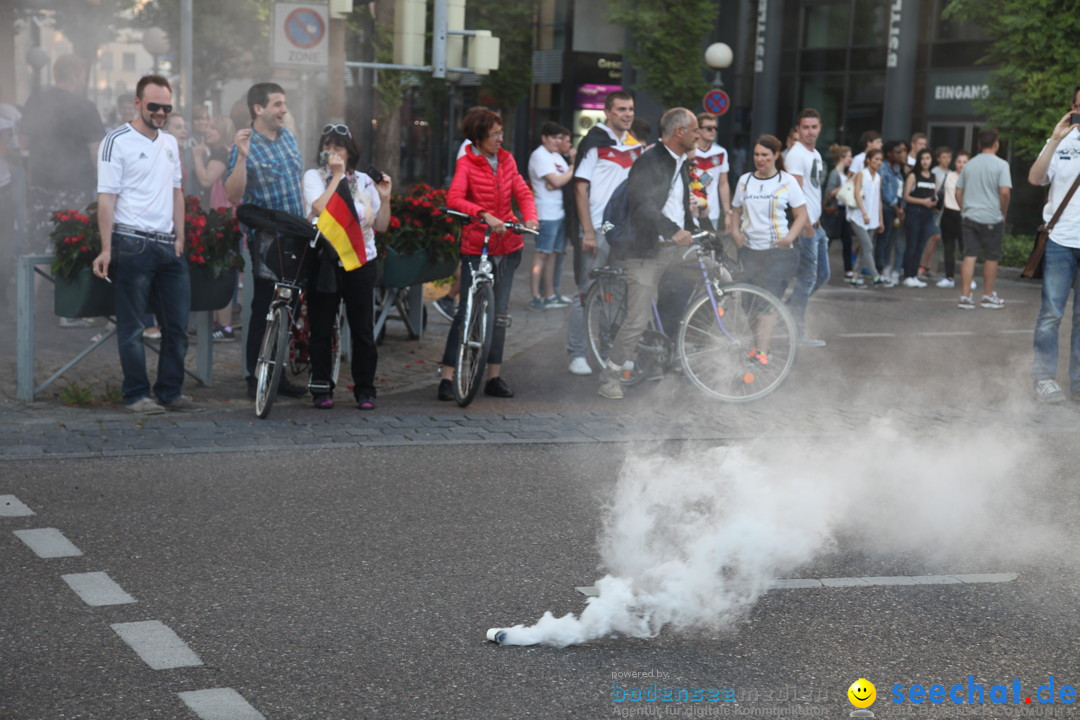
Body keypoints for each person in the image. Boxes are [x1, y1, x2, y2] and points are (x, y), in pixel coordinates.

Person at [92, 75, 197, 414]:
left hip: (168, 245)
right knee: (133, 326)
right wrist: (106, 248)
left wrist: (181, 237)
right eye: (154, 106)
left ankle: (169, 391)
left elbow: (176, 191)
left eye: (167, 107)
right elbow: (106, 198)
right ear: (138, 103)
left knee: (178, 326)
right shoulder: (116, 140)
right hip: (132, 242)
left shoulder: (169, 142)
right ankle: (137, 394)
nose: (161, 113)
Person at [597, 108, 699, 400]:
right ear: (679, 132)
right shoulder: (649, 162)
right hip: (645, 250)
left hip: (674, 249)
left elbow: (679, 207)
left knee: (722, 276)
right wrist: (672, 231)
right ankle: (611, 377)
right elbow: (643, 207)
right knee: (637, 318)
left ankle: (688, 349)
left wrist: (700, 232)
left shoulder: (681, 163)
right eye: (694, 129)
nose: (698, 134)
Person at [437, 109, 539, 401]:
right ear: (479, 137)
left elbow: (522, 191)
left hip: (507, 246)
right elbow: (454, 198)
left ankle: (493, 376)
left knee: (500, 314)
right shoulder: (467, 162)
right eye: (495, 134)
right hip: (476, 243)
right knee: (466, 311)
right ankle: (447, 376)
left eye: (500, 133)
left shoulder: (506, 159)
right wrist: (483, 214)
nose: (500, 139)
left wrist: (530, 218)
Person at [224, 82, 308, 400]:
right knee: (264, 308)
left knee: (290, 309)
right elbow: (233, 194)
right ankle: (255, 376)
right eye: (277, 104)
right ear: (258, 109)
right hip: (268, 242)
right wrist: (243, 158)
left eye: (284, 103)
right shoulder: (244, 145)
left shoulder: (288, 138)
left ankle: (278, 373)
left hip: (297, 238)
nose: (284, 109)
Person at [302, 123, 391, 410]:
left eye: (338, 146)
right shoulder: (314, 177)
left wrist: (386, 197)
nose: (332, 151)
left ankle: (365, 390)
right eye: (327, 146)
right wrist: (336, 176)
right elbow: (318, 209)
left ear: (350, 151)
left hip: (361, 261)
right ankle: (321, 388)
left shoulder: (365, 181)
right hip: (326, 260)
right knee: (321, 327)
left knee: (362, 328)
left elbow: (381, 224)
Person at [566, 90, 643, 376]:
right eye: (621, 109)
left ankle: (611, 353)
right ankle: (576, 352)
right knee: (586, 293)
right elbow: (579, 187)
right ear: (608, 112)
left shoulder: (633, 146)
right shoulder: (594, 143)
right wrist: (587, 231)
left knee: (619, 292)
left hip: (623, 232)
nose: (627, 114)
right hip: (597, 228)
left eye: (631, 109)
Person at [730, 135, 809, 356]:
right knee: (749, 303)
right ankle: (756, 346)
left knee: (766, 300)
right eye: (756, 154)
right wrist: (736, 232)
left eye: (765, 155)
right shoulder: (745, 181)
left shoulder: (787, 181)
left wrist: (789, 238)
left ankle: (762, 352)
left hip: (778, 253)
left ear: (776, 156)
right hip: (749, 251)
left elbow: (801, 214)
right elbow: (736, 210)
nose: (760, 159)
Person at [1028, 89, 1080, 403]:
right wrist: (1054, 138)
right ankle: (1044, 378)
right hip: (1060, 239)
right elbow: (1035, 178)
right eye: (1078, 105)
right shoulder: (1062, 143)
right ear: (1072, 108)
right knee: (1051, 313)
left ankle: (1078, 382)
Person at [785, 108, 829, 346]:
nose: (810, 131)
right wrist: (806, 226)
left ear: (820, 128)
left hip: (817, 225)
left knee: (822, 275)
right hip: (807, 227)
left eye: (814, 127)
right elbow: (796, 194)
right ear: (798, 130)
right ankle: (797, 332)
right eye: (805, 127)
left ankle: (784, 311)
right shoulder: (796, 155)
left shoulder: (815, 154)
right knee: (806, 280)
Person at [192, 114, 238, 340]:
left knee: (222, 270)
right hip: (223, 216)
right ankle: (220, 324)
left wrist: (197, 157)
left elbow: (207, 180)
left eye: (211, 128)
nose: (206, 130)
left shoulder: (221, 153)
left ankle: (224, 326)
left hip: (221, 218)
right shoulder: (225, 151)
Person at [955, 129, 1011, 310]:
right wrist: (1003, 212)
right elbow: (1004, 192)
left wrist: (964, 208)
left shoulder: (969, 164)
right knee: (991, 257)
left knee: (969, 255)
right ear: (996, 144)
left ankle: (965, 297)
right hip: (991, 217)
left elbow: (958, 191)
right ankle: (987, 295)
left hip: (970, 215)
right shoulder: (1001, 165)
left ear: (979, 144)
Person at [527, 121, 575, 310]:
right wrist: (571, 169)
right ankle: (535, 296)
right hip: (545, 213)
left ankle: (550, 294)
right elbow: (555, 181)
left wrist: (560, 179)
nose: (557, 141)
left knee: (553, 255)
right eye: (553, 138)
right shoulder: (539, 156)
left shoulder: (554, 155)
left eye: (559, 138)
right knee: (541, 254)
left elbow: (558, 181)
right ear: (544, 137)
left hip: (559, 211)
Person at [848, 148, 886, 287]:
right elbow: (857, 194)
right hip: (858, 217)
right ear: (869, 160)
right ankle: (875, 276)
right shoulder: (861, 174)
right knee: (868, 246)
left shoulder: (878, 178)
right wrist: (864, 213)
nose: (878, 162)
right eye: (876, 159)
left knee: (865, 249)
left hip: (873, 219)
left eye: (881, 160)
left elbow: (878, 200)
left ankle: (855, 277)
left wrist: (880, 220)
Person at [900, 148, 938, 287]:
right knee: (912, 244)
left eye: (928, 158)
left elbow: (935, 195)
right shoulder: (913, 176)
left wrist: (934, 202)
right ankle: (908, 274)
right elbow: (906, 196)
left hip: (928, 214)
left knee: (921, 245)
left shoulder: (934, 177)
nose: (925, 161)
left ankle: (914, 274)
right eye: (922, 158)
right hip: (914, 212)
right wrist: (923, 201)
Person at [692, 112, 732, 235]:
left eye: (715, 128)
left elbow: (723, 184)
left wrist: (727, 213)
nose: (713, 131)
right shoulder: (689, 152)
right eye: (709, 128)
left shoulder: (721, 152)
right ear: (698, 130)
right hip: (691, 211)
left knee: (710, 251)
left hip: (712, 212)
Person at [918, 146, 953, 280]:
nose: (947, 160)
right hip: (933, 209)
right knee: (934, 236)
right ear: (938, 159)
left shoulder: (951, 173)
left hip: (944, 210)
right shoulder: (934, 171)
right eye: (944, 157)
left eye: (949, 157)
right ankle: (923, 265)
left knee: (935, 238)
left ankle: (927, 266)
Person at [934, 150, 967, 289]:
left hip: (964, 214)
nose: (961, 165)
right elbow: (938, 192)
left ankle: (968, 278)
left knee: (965, 248)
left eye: (965, 162)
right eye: (959, 161)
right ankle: (949, 277)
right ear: (955, 163)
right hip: (948, 213)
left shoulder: (971, 177)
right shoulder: (948, 176)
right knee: (948, 247)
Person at [877, 140, 908, 283]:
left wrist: (901, 208)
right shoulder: (884, 169)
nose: (901, 155)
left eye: (901, 152)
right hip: (887, 209)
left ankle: (886, 268)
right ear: (889, 154)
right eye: (897, 152)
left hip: (896, 210)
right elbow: (884, 191)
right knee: (883, 240)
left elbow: (900, 189)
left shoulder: (897, 168)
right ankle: (880, 270)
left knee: (891, 241)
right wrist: (896, 208)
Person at [824, 144, 854, 280]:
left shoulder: (845, 175)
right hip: (835, 211)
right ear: (842, 158)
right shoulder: (835, 174)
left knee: (847, 241)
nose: (851, 159)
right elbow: (829, 193)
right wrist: (845, 186)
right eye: (849, 156)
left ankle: (848, 270)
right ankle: (820, 267)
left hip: (844, 211)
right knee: (828, 240)